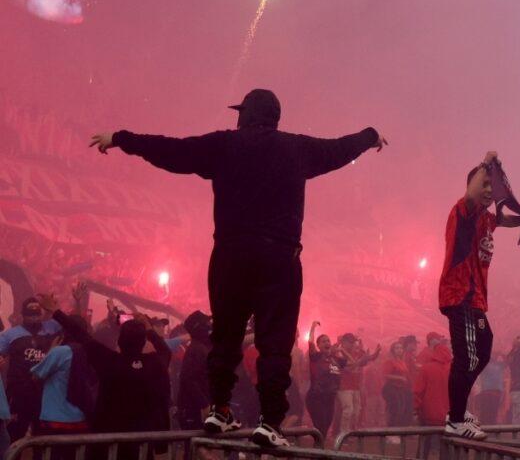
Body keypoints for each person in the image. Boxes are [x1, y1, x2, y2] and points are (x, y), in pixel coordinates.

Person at [90, 89, 387, 447]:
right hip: (280, 257)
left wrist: (122, 139)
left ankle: (219, 409)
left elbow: (171, 150)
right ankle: (271, 422)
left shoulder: (225, 145)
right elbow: (341, 148)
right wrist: (370, 136)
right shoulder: (298, 149)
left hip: (230, 255)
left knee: (226, 336)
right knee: (275, 343)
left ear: (247, 115)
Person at [437, 152, 520, 439]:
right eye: (484, 184)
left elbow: (506, 222)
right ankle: (454, 419)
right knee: (467, 358)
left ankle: (459, 409)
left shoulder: (487, 220)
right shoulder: (463, 211)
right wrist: (486, 163)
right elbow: (473, 193)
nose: (489, 190)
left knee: (484, 349)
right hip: (459, 294)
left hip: (475, 300)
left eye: (493, 186)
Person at [40, 294, 171, 460]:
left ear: (119, 340)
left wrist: (55, 312)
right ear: (144, 341)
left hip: (107, 443)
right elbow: (165, 350)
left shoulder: (109, 362)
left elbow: (82, 335)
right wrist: (149, 328)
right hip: (140, 444)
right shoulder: (154, 365)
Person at [0, 297, 62, 440]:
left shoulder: (50, 327)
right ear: (22, 315)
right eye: (30, 315)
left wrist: (73, 304)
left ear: (41, 314)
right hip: (18, 393)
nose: (34, 318)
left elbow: (74, 324)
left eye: (37, 314)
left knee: (42, 438)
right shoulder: (10, 335)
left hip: (45, 393)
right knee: (15, 435)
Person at [177, 311, 214, 432]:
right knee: (196, 448)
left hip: (199, 408)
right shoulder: (196, 350)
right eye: (207, 323)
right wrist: (204, 405)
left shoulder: (202, 348)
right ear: (199, 327)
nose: (210, 325)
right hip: (194, 410)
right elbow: (188, 379)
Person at [381, 341, 413, 427]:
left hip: (400, 388)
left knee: (402, 409)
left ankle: (398, 428)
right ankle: (391, 429)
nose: (399, 350)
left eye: (401, 348)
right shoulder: (389, 362)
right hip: (390, 388)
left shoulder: (402, 362)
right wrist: (399, 378)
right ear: (393, 350)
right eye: (397, 348)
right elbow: (385, 375)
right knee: (395, 408)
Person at [475, 353, 507, 425]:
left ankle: (486, 429)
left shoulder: (496, 365)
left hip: (488, 393)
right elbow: (507, 360)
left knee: (486, 413)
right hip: (494, 393)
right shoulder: (498, 366)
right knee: (492, 413)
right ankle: (491, 429)